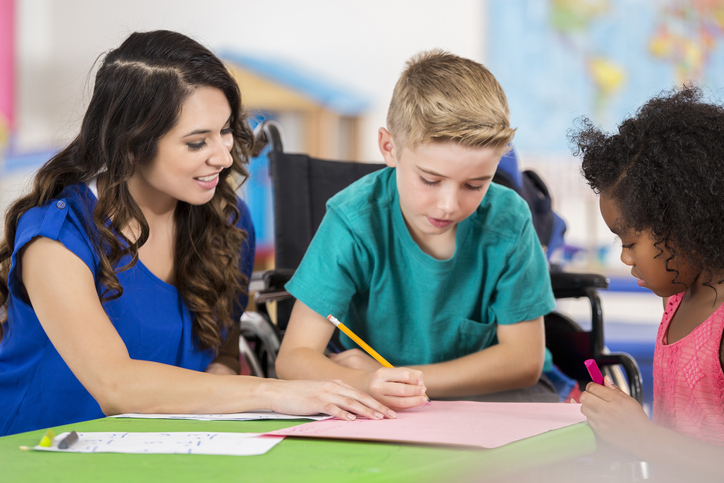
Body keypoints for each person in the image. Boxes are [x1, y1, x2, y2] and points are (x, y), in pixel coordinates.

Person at [0, 30, 394, 437]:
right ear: (131, 144)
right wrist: (276, 393)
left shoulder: (227, 222)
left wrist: (221, 394)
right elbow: (115, 386)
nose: (224, 156)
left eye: (225, 130)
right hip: (39, 451)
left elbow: (222, 347)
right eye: (196, 142)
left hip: (166, 449)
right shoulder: (57, 240)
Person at [275, 50, 558, 408]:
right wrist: (366, 381)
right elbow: (294, 358)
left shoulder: (509, 218)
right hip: (389, 403)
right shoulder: (353, 221)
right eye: (430, 179)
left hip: (497, 399)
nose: (448, 205)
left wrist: (398, 377)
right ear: (389, 147)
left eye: (475, 185)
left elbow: (523, 362)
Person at [574, 85, 724, 480]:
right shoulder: (676, 301)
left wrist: (642, 437)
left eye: (630, 241)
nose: (625, 257)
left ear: (684, 225)